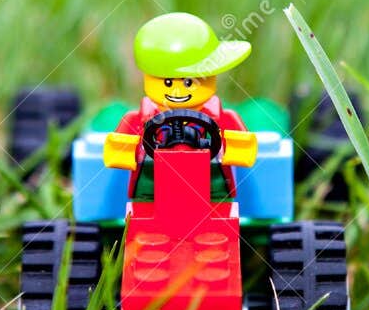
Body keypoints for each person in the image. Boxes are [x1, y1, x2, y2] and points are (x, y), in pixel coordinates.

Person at [103, 13, 259, 196]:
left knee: (219, 185)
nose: (180, 90)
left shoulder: (216, 114)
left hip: (209, 176)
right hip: (152, 176)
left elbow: (241, 141)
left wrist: (239, 152)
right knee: (144, 186)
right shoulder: (144, 115)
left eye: (188, 82)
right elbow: (121, 142)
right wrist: (121, 153)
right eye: (167, 82)